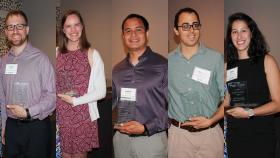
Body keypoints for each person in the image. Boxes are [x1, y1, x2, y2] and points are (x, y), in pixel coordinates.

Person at [168, 7, 224, 158]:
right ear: (176, 30)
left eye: (195, 25)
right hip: (179, 137)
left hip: (210, 135)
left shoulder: (216, 58)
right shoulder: (167, 62)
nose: (191, 30)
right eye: (185, 26)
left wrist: (212, 120)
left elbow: (228, 98)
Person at [0, 10, 56, 158]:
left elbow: (52, 96)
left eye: (19, 26)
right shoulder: (3, 61)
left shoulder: (41, 59)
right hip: (12, 126)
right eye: (10, 27)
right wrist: (4, 126)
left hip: (36, 127)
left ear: (27, 29)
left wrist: (29, 112)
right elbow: (2, 97)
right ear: (6, 32)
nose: (15, 30)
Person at [112, 14, 169, 158]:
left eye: (138, 29)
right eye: (128, 31)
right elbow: (114, 105)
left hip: (151, 141)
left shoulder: (163, 65)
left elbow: (174, 108)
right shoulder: (117, 69)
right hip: (122, 140)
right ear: (123, 36)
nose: (133, 35)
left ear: (147, 33)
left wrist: (145, 128)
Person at [224, 12, 280, 158]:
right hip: (235, 134)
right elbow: (226, 101)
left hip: (261, 134)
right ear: (230, 36)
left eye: (244, 30)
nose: (239, 36)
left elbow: (278, 104)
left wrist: (249, 112)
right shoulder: (226, 66)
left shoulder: (267, 61)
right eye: (234, 32)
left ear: (252, 33)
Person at [56, 10, 106, 158]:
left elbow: (101, 91)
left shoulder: (92, 53)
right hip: (62, 115)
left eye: (76, 25)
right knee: (64, 155)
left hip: (82, 114)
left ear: (82, 27)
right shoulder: (56, 53)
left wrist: (75, 101)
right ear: (63, 30)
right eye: (68, 26)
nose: (73, 30)